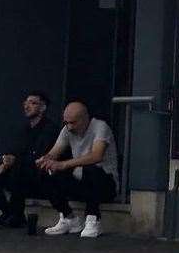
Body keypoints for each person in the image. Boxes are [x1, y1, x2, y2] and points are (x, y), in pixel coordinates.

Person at [36, 101, 119, 238]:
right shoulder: (67, 129)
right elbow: (55, 152)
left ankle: (93, 219)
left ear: (84, 119)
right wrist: (46, 160)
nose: (69, 127)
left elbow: (96, 155)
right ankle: (69, 219)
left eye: (73, 123)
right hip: (81, 183)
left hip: (105, 185)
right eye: (66, 122)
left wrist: (64, 164)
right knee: (47, 170)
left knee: (91, 169)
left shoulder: (100, 127)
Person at [0, 90, 59, 229]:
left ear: (43, 107)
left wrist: (14, 161)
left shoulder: (50, 129)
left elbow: (41, 157)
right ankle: (7, 212)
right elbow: (14, 150)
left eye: (33, 103)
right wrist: (6, 161)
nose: (27, 106)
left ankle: (15, 215)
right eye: (25, 103)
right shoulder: (24, 129)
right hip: (19, 175)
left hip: (39, 178)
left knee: (19, 167)